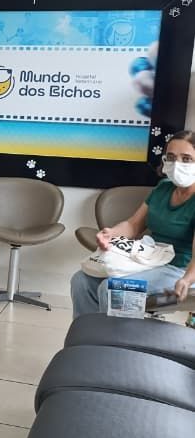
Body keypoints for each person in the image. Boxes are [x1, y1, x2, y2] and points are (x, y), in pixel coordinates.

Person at [70, 129, 195, 317]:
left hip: (179, 270)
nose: (177, 164)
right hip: (150, 259)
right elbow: (134, 225)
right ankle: (86, 339)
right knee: (81, 280)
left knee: (112, 289)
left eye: (186, 159)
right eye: (171, 157)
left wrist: (187, 279)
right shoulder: (163, 188)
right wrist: (110, 233)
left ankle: (113, 344)